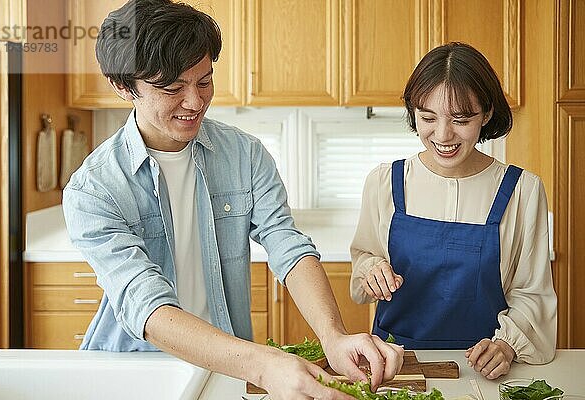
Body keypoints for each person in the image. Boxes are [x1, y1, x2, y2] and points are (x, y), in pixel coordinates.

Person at [62, 0, 403, 398]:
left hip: (229, 367)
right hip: (139, 373)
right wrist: (265, 364)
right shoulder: (94, 189)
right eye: (172, 88)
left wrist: (334, 336)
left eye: (204, 81)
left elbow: (287, 245)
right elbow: (146, 305)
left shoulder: (244, 154)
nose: (194, 102)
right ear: (123, 87)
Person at [350, 42, 557, 380]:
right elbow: (363, 263)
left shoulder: (522, 190)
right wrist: (371, 270)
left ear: (486, 114)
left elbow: (531, 293)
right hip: (397, 367)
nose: (443, 135)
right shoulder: (385, 182)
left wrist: (506, 346)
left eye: (461, 119)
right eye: (427, 118)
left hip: (483, 369)